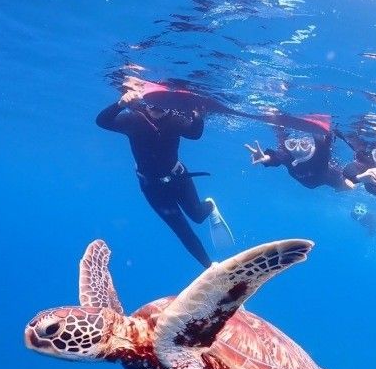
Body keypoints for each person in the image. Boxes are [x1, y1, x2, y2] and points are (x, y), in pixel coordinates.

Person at [95, 87, 233, 269]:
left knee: (198, 216)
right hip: (152, 188)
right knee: (181, 229)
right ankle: (210, 266)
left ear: (170, 106)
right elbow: (102, 121)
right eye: (153, 105)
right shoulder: (133, 119)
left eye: (163, 106)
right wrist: (120, 104)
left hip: (179, 178)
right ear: (145, 102)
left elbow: (194, 133)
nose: (157, 110)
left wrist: (198, 115)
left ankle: (210, 206)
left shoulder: (175, 120)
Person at [245, 124, 353, 191]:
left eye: (304, 145)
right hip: (308, 181)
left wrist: (320, 128)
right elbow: (277, 157)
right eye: (292, 144)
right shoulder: (288, 156)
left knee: (349, 186)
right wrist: (266, 158)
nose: (298, 149)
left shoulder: (320, 157)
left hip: (323, 178)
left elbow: (322, 144)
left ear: (312, 147)